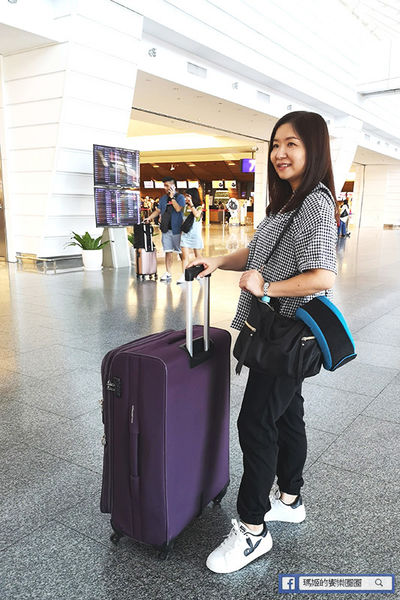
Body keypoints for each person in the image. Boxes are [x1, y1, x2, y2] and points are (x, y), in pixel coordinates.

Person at [188, 111, 338, 574]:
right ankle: (290, 499)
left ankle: (253, 530)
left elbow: (323, 276)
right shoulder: (288, 202)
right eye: (275, 144)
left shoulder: (315, 204)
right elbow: (257, 253)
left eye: (292, 144)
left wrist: (266, 287)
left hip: (284, 335)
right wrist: (219, 261)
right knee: (287, 415)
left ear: (314, 149)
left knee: (255, 423)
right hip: (278, 335)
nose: (280, 153)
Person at [145, 177, 185, 281]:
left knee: (181, 252)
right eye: (164, 186)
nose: (165, 188)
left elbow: (178, 209)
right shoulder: (163, 199)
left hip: (177, 230)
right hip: (166, 229)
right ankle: (168, 273)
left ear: (173, 186)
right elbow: (158, 211)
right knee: (168, 251)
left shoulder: (180, 197)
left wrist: (172, 197)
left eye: (167, 186)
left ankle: (185, 272)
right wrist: (149, 218)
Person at [176, 188, 204, 285]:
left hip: (195, 235)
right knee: (185, 257)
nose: (186, 198)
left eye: (188, 196)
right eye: (186, 196)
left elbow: (197, 215)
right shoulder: (184, 207)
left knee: (198, 256)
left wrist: (191, 204)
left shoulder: (199, 207)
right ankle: (184, 275)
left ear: (193, 196)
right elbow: (182, 220)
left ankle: (200, 274)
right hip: (185, 235)